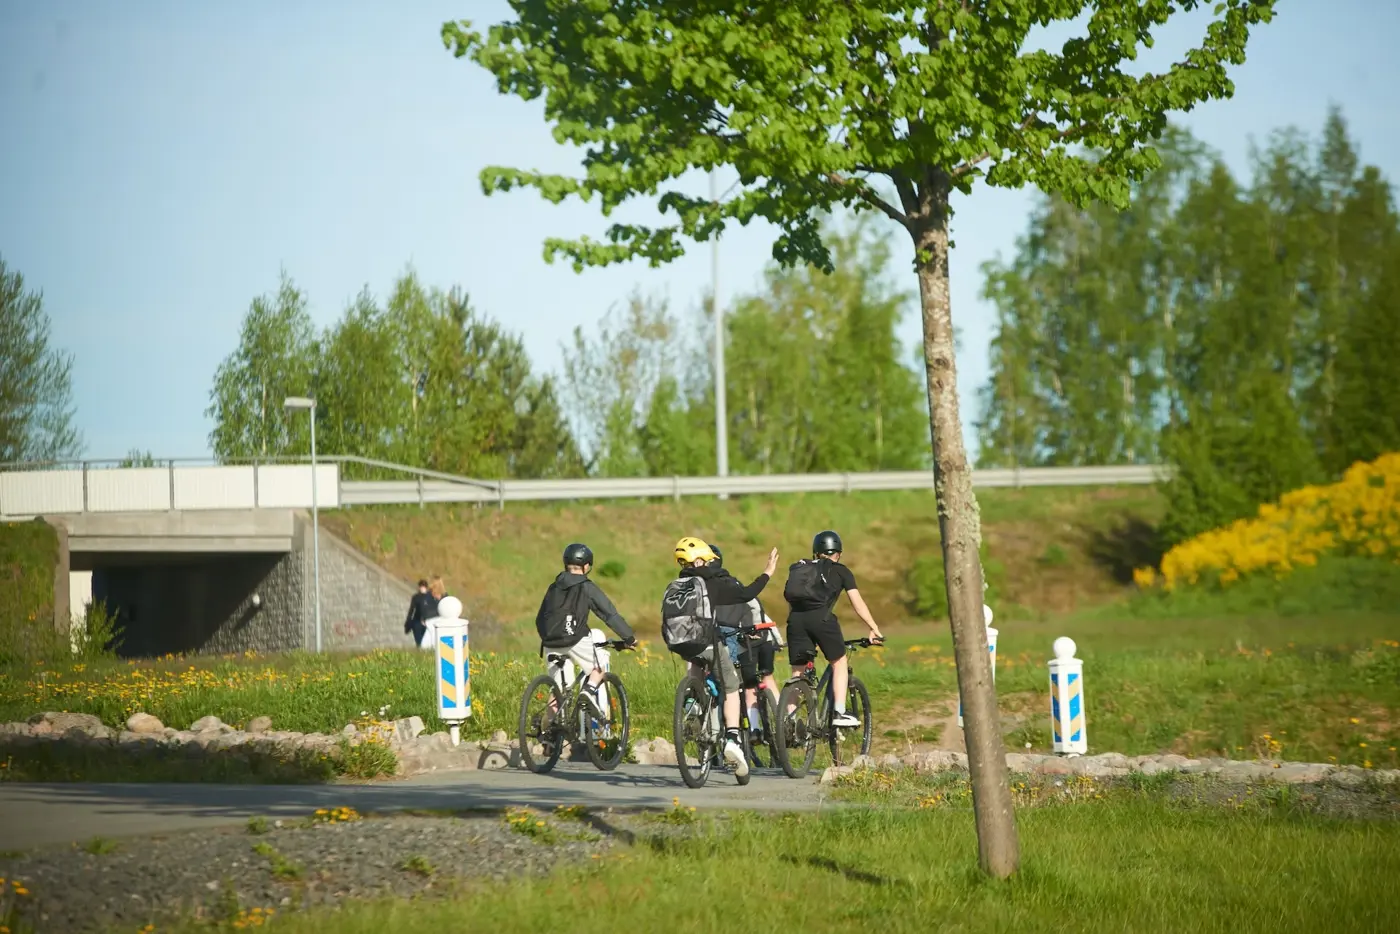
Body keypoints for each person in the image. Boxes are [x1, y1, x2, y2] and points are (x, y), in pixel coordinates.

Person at [668, 537, 779, 778]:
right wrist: (767, 572)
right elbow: (747, 593)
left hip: (680, 644)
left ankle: (693, 701)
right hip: (708, 642)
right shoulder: (713, 583)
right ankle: (731, 737)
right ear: (699, 560)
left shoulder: (680, 583)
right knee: (731, 686)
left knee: (697, 661)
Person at [783, 530, 883, 727]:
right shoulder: (841, 571)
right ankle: (839, 712)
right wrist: (873, 627)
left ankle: (789, 723)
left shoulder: (799, 568)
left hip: (795, 620)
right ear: (838, 552)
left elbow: (793, 599)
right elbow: (857, 603)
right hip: (822, 620)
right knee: (839, 661)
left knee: (797, 673)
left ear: (816, 551)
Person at [534, 543, 637, 715]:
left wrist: (547, 637)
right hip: (575, 640)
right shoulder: (586, 586)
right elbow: (609, 613)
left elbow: (540, 618)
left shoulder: (554, 586)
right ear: (587, 566)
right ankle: (587, 693)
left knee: (558, 692)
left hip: (550, 643)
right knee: (600, 665)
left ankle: (548, 736)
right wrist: (629, 637)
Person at [709, 544, 782, 746]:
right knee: (766, 677)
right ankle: (784, 719)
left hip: (742, 642)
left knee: (747, 685)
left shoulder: (710, 590)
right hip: (763, 638)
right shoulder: (737, 587)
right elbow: (759, 613)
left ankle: (754, 728)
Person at [404, 579, 438, 648]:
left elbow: (434, 609)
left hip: (428, 622)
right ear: (419, 587)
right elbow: (411, 610)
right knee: (419, 642)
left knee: (427, 642)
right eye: (421, 586)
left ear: (426, 587)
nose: (422, 588)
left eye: (424, 586)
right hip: (417, 622)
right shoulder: (416, 597)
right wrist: (408, 621)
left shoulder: (431, 597)